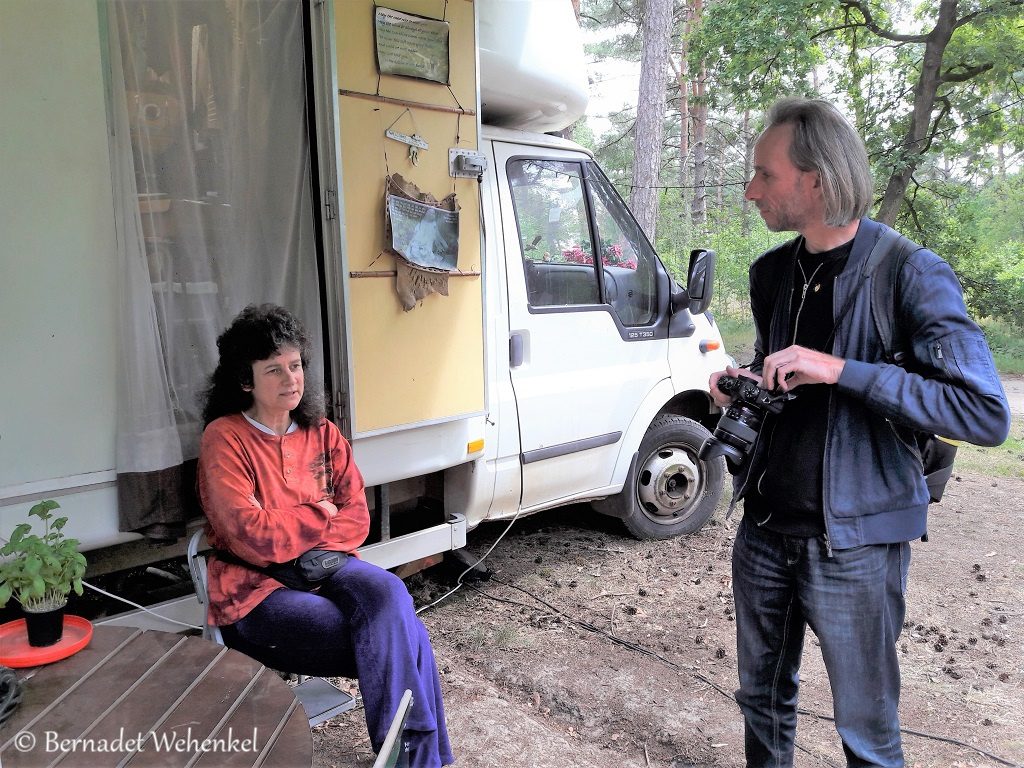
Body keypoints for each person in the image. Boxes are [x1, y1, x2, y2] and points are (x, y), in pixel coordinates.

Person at [710, 98, 1010, 767]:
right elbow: (781, 369)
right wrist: (747, 380)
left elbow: (984, 412)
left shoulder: (911, 273)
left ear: (814, 179)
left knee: (866, 735)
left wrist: (841, 369)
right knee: (760, 702)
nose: (751, 189)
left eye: (765, 174)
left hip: (858, 545)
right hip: (763, 528)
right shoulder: (770, 274)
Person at [197, 304, 454, 768]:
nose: (290, 379)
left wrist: (293, 525)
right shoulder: (226, 438)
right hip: (256, 589)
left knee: (391, 594)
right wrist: (320, 511)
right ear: (245, 380)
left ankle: (410, 759)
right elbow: (251, 536)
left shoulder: (322, 432)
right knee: (403, 635)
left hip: (327, 566)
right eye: (273, 369)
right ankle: (418, 760)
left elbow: (356, 519)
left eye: (294, 366)